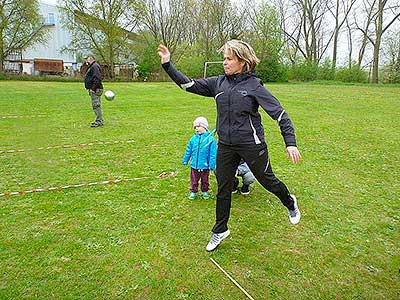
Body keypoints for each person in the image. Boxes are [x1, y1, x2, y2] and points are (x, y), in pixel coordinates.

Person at [157, 40, 301, 252]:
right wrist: (168, 65)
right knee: (223, 187)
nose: (224, 62)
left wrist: (290, 143)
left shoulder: (254, 86)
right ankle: (220, 229)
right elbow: (188, 85)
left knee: (267, 181)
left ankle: (289, 202)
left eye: (229, 59)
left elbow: (280, 114)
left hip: (252, 144)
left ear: (243, 61)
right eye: (224, 58)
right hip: (225, 145)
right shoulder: (218, 83)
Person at [182, 116, 217, 200]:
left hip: (205, 166)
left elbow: (213, 154)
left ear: (204, 127)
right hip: (194, 165)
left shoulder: (211, 140)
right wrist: (185, 159)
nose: (196, 129)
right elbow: (188, 150)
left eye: (198, 126)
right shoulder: (193, 139)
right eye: (195, 127)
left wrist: (212, 164)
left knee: (205, 180)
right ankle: (193, 191)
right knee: (194, 180)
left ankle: (204, 191)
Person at [84, 55, 104, 127]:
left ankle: (99, 121)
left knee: (96, 105)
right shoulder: (93, 66)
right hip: (95, 89)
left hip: (96, 89)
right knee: (96, 105)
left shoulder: (94, 66)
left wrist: (93, 88)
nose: (86, 61)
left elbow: (97, 78)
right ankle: (99, 120)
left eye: (87, 59)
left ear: (91, 59)